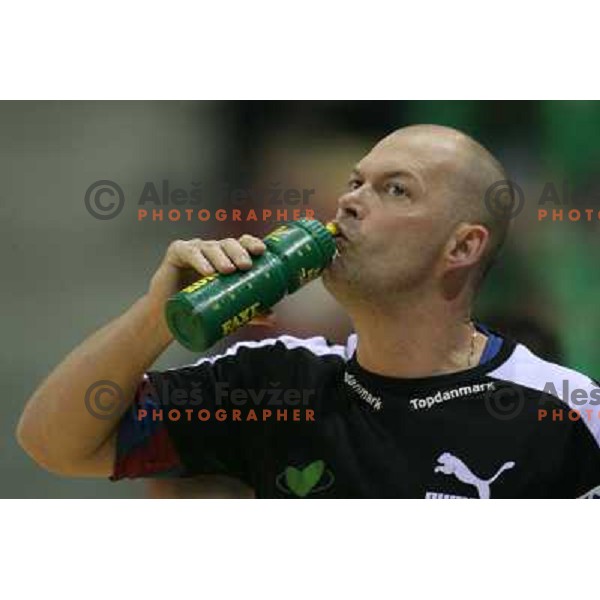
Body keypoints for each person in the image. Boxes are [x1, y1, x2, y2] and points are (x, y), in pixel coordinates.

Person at [16, 124, 600, 498]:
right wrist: (154, 314)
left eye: (395, 189)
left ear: (463, 246)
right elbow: (56, 443)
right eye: (355, 181)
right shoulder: (274, 384)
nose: (348, 200)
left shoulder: (568, 412)